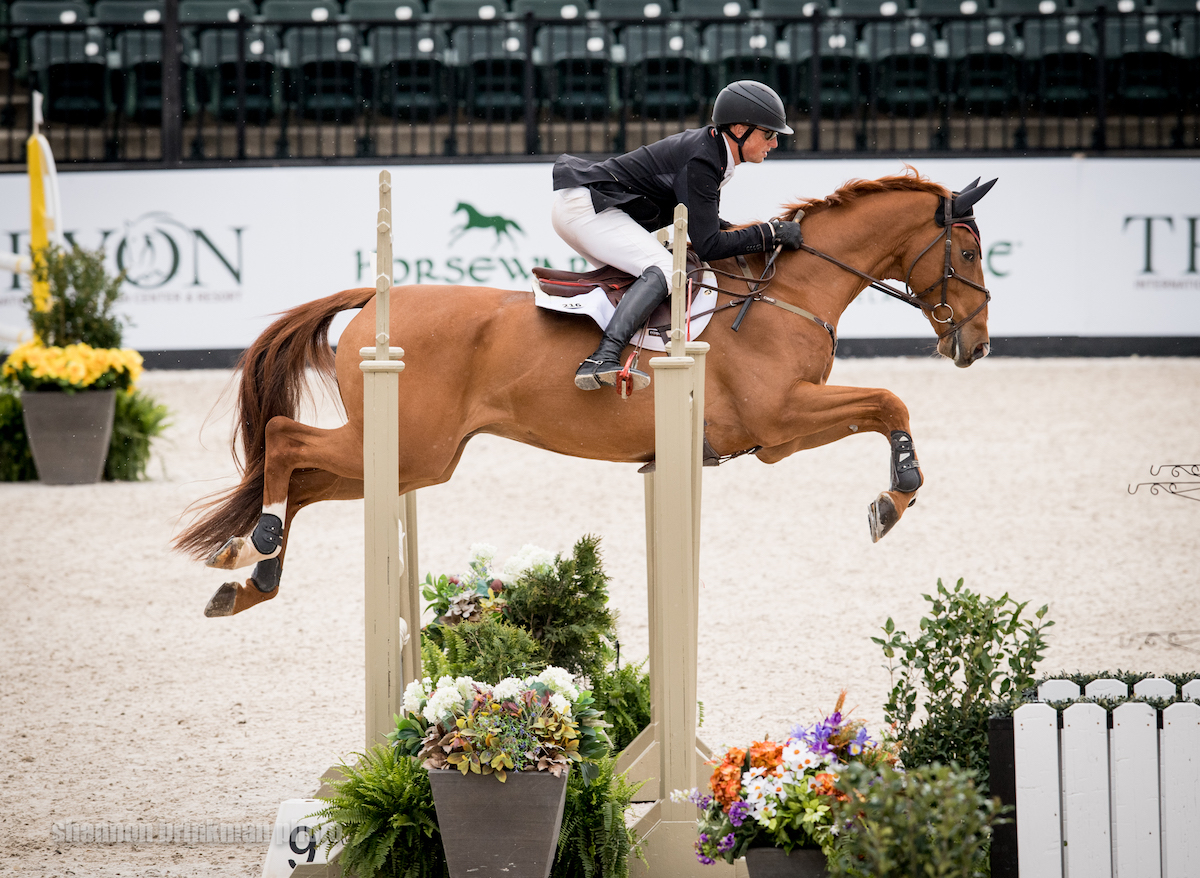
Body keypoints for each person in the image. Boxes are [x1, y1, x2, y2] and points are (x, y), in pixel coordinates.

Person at [551, 80, 805, 393]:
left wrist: (764, 233)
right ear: (740, 129)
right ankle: (602, 358)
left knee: (650, 272)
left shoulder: (710, 151)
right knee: (663, 268)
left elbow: (706, 224)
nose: (775, 143)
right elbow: (709, 244)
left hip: (586, 207)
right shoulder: (703, 159)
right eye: (769, 133)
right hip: (587, 210)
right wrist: (770, 233)